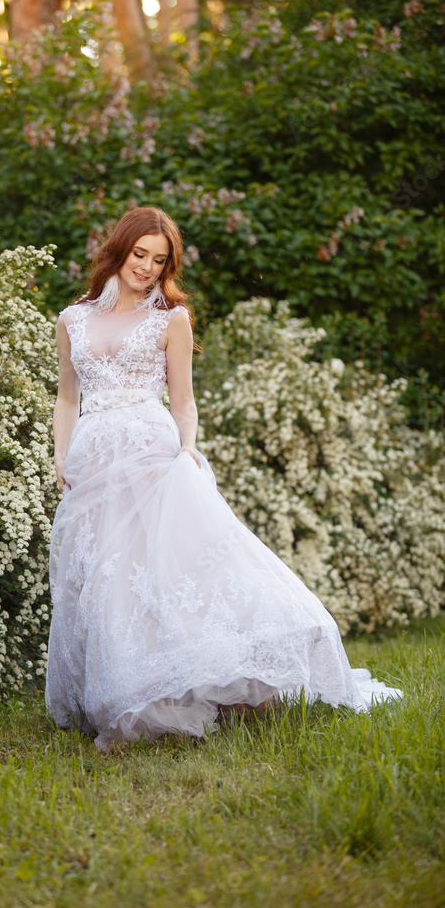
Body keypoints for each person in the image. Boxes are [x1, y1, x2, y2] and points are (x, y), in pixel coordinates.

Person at [45, 206, 402, 751]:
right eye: (139, 254)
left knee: (163, 574)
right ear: (119, 250)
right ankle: (125, 689)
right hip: (93, 466)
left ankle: (202, 680)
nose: (145, 266)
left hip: (152, 457)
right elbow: (67, 396)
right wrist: (60, 458)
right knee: (107, 578)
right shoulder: (72, 320)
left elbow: (184, 403)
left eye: (158, 259)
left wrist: (187, 450)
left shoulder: (171, 320)